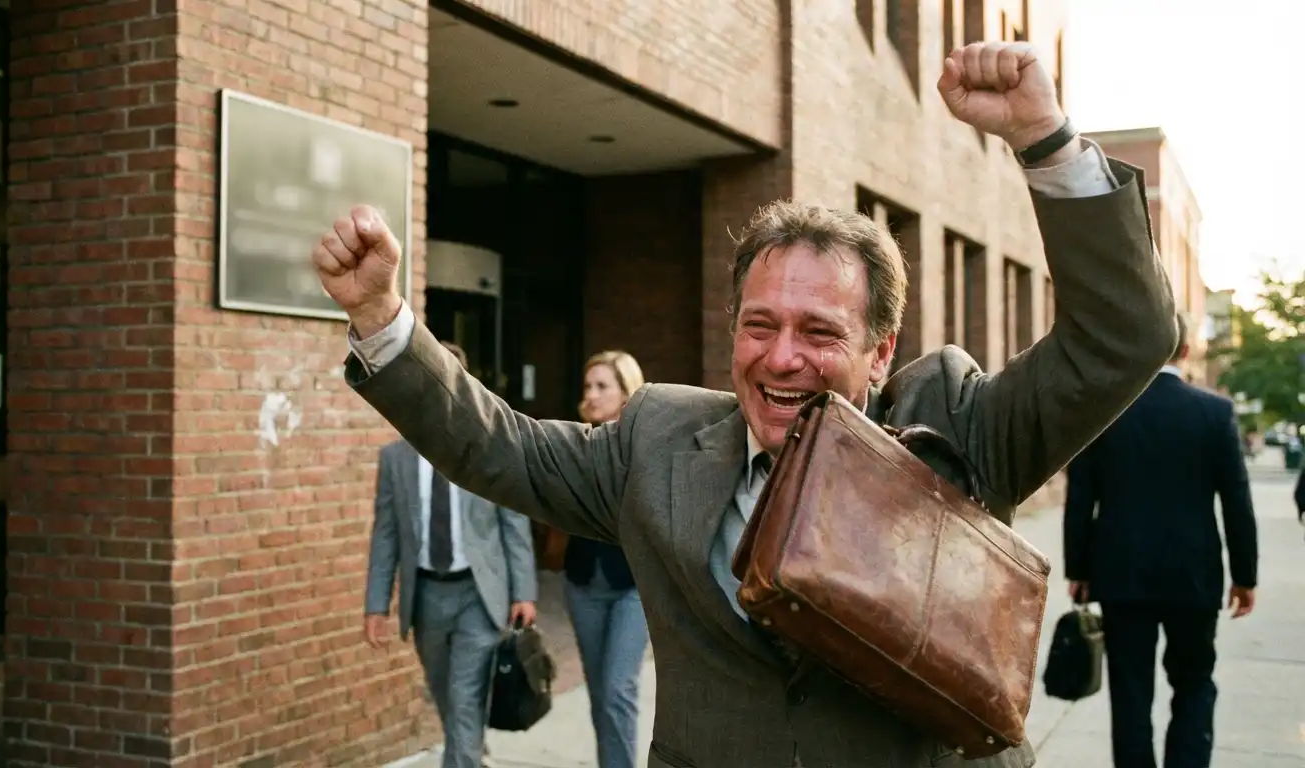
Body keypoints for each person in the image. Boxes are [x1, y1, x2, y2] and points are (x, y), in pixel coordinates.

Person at [317, 42, 1179, 768]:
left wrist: (1044, 140)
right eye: (759, 325)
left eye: (820, 332)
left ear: (881, 350)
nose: (782, 357)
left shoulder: (962, 429)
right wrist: (382, 319)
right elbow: (500, 446)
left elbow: (1124, 336)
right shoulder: (656, 441)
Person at [1063, 314, 1258, 768]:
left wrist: (1079, 569)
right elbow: (1237, 501)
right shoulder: (1214, 413)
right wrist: (1244, 576)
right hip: (1193, 577)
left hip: (1121, 575)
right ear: (1186, 351)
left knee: (1130, 694)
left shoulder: (1105, 411)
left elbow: (1080, 498)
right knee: (1194, 684)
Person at [362, 341, 539, 768]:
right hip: (426, 597)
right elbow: (386, 535)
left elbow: (513, 521)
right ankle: (470, 751)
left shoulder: (489, 449)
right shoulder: (395, 459)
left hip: (479, 594)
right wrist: (376, 605)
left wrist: (524, 590)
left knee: (464, 699)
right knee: (446, 697)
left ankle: (464, 756)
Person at [565, 351, 651, 768]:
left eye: (603, 386)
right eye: (588, 386)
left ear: (626, 393)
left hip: (632, 586)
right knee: (600, 693)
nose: (592, 394)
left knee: (618, 689)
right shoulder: (576, 443)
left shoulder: (644, 448)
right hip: (582, 582)